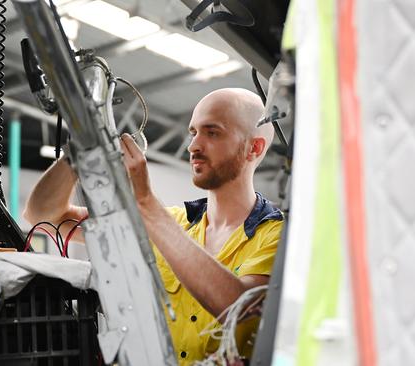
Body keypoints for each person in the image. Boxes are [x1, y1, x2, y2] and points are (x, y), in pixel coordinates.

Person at [23, 87, 283, 364]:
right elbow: (44, 214)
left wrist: (147, 204)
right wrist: (81, 150)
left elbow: (238, 306)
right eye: (193, 132)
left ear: (254, 148)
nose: (193, 146)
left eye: (212, 132)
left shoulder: (277, 237)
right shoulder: (170, 223)